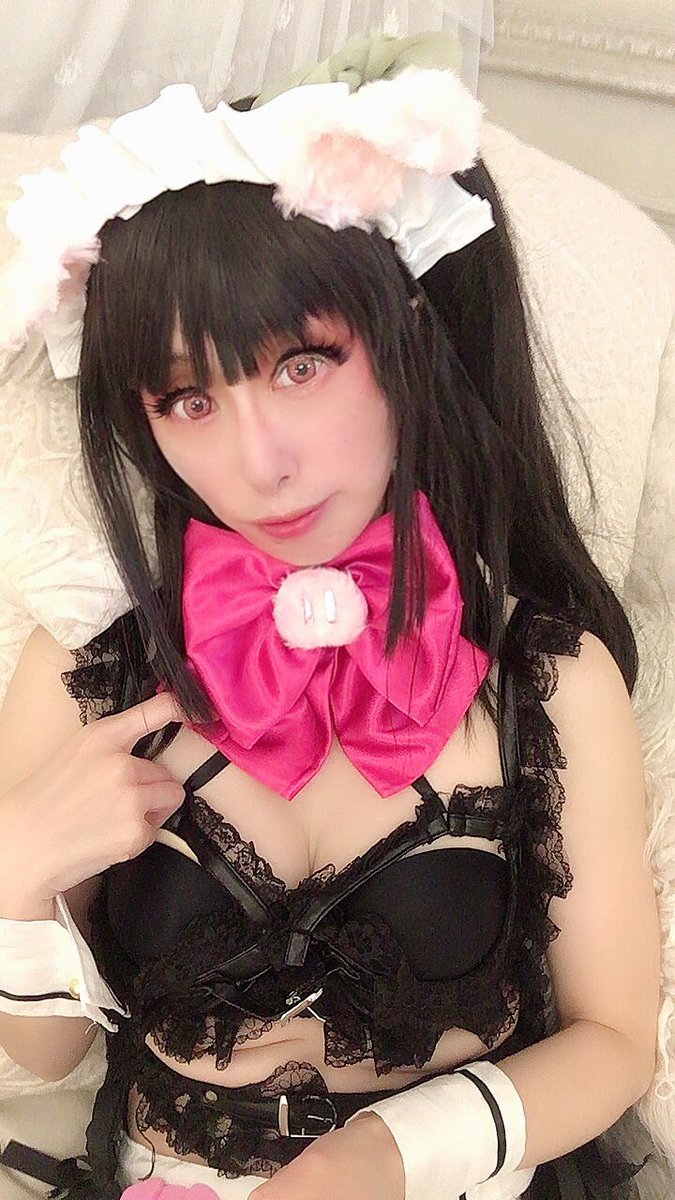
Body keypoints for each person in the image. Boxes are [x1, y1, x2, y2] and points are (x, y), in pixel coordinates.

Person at [0, 35, 661, 1200]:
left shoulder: (548, 678)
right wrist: (11, 869)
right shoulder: (92, 666)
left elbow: (616, 1042)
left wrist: (382, 1157)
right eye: (189, 398)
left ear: (406, 340)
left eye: (302, 366)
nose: (259, 462)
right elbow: (44, 1055)